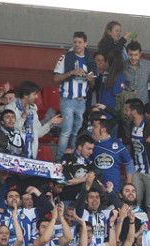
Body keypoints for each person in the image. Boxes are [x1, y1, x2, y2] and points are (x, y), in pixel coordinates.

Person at [53, 31, 96, 159]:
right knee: (66, 130)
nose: (77, 45)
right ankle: (60, 159)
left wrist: (90, 79)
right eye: (75, 42)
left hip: (81, 100)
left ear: (85, 44)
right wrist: (72, 72)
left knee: (76, 130)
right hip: (68, 99)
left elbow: (93, 85)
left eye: (80, 42)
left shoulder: (90, 60)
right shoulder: (65, 57)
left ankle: (71, 156)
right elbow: (56, 78)